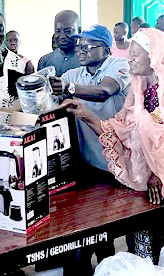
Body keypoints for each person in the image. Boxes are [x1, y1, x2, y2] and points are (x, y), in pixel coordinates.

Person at [62, 28, 164, 247]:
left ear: (154, 53)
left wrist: (160, 172)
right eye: (130, 53)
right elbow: (122, 130)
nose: (130, 57)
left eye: (136, 53)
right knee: (144, 246)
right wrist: (85, 114)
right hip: (148, 179)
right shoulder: (140, 86)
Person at [49, 24, 130, 172]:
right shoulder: (73, 75)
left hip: (123, 159)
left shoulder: (119, 64)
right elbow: (50, 98)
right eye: (79, 45)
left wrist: (68, 87)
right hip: (92, 161)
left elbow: (104, 92)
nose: (81, 51)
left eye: (88, 46)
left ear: (106, 50)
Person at [38, 10, 81, 77]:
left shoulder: (87, 61)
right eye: (58, 31)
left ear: (79, 31)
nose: (62, 36)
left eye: (68, 31)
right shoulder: (45, 61)